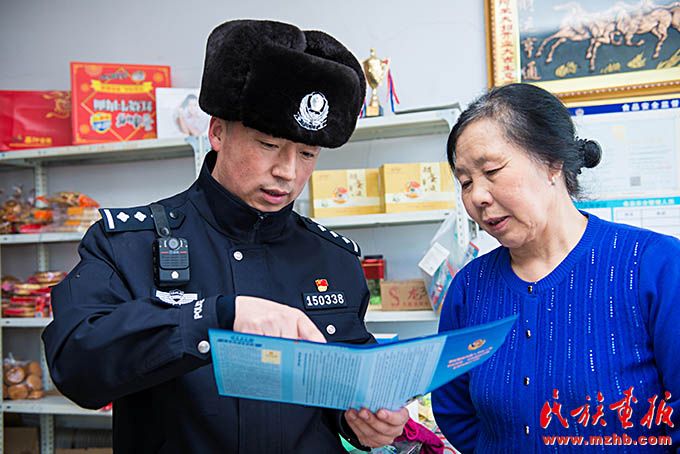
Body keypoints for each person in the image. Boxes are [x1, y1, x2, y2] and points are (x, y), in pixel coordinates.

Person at [43, 20, 408, 453]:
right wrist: (213, 318)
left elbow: (347, 387)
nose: (288, 172)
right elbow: (75, 365)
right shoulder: (128, 244)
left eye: (307, 153)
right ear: (217, 131)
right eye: (268, 145)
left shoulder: (334, 259)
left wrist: (363, 422)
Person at [432, 83, 679, 452]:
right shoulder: (469, 288)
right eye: (465, 182)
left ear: (551, 162)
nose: (477, 196)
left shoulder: (654, 266)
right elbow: (454, 410)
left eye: (492, 170)